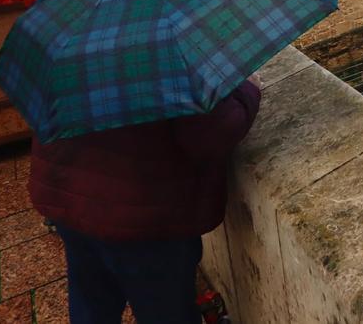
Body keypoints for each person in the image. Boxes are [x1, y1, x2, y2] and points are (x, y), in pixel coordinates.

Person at [30, 78, 261, 324]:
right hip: (144, 219)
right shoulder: (163, 51)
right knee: (164, 309)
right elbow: (212, 132)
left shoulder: (70, 42)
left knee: (91, 297)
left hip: (70, 198)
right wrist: (249, 90)